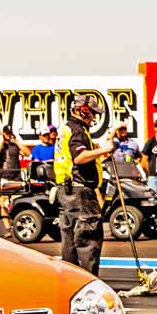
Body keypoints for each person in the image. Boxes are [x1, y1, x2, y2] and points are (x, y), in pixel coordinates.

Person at [53, 94, 113, 276]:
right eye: (93, 113)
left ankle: (72, 282)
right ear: (83, 111)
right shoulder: (78, 130)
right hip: (80, 193)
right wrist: (105, 150)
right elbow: (79, 157)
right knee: (88, 239)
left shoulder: (66, 128)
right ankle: (89, 284)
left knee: (69, 240)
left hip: (66, 190)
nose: (94, 117)